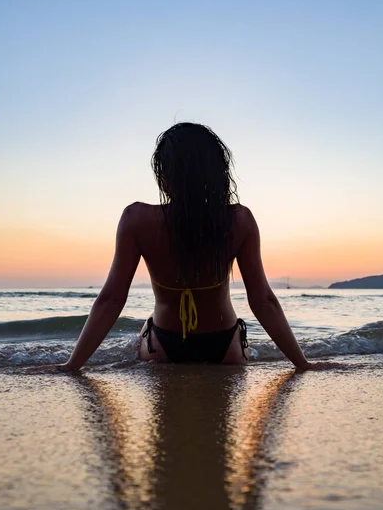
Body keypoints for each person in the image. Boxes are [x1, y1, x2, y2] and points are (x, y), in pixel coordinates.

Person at [33, 123, 335, 373]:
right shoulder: (238, 219)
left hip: (164, 344)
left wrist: (72, 365)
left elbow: (112, 299)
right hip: (224, 345)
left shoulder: (136, 219)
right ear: (218, 172)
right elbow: (263, 300)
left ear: (164, 173)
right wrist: (302, 363)